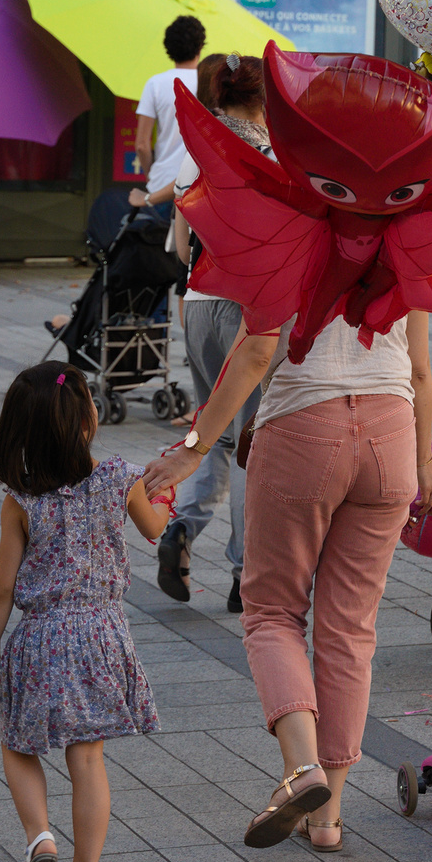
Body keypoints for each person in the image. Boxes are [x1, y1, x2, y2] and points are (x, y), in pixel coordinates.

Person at [143, 311, 432, 851]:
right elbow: (421, 372)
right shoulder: (404, 237)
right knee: (350, 629)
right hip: (393, 432)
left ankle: (301, 768)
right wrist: (425, 461)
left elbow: (257, 353)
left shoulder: (288, 235)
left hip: (302, 425)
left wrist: (192, 449)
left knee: (273, 612)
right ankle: (328, 818)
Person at [0, 362, 170, 862]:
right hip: (103, 633)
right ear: (88, 420)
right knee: (88, 759)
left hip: (38, 637)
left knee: (18, 741)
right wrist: (165, 495)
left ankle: (40, 838)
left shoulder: (21, 500)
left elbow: (0, 588)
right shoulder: (118, 478)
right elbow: (155, 528)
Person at [156, 55, 270, 615]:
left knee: (213, 429)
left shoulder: (192, 151)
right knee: (250, 442)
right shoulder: (272, 156)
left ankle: (181, 529)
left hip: (196, 306)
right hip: (246, 311)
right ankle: (245, 573)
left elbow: (181, 251)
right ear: (265, 100)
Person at [127, 16, 206, 224]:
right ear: (200, 46)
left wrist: (151, 177)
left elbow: (142, 145)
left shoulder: (155, 84)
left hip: (160, 187)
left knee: (158, 252)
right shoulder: (208, 83)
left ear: (168, 48)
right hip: (197, 187)